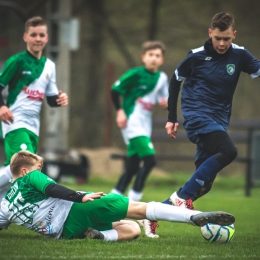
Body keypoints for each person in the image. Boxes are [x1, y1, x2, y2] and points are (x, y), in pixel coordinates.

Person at [0, 151, 235, 241]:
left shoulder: (4, 206)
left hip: (65, 233)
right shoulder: (29, 177)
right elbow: (52, 189)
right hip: (77, 209)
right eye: (38, 169)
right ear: (24, 170)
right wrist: (79, 197)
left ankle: (101, 237)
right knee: (141, 208)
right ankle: (192, 217)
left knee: (132, 228)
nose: (40, 172)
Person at [163, 12, 260, 209]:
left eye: (227, 38)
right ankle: (181, 200)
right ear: (210, 33)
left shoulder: (240, 54)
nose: (222, 43)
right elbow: (175, 81)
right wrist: (171, 118)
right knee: (229, 150)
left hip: (218, 121)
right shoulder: (196, 55)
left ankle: (154, 213)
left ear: (234, 34)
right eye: (217, 38)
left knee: (202, 186)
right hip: (196, 116)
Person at [0, 16, 68, 202]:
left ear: (47, 38)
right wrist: (2, 106)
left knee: (13, 168)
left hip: (33, 125)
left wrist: (60, 99)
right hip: (14, 121)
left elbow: (51, 99)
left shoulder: (49, 66)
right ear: (25, 37)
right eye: (33, 35)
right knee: (28, 165)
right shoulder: (17, 61)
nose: (38, 39)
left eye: (41, 35)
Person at [110, 41, 168, 238]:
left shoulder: (161, 78)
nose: (153, 58)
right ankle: (137, 209)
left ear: (162, 60)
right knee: (150, 160)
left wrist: (164, 102)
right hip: (131, 122)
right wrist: (119, 112)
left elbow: (164, 98)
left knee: (133, 166)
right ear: (143, 57)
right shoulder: (135, 74)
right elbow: (114, 90)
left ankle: (111, 202)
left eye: (157, 55)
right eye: (150, 54)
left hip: (145, 125)